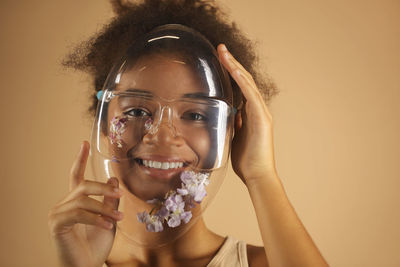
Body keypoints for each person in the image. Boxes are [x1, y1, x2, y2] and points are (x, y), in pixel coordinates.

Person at [48, 1, 329, 266]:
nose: (163, 135)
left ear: (230, 130)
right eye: (136, 111)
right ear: (103, 120)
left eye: (195, 115)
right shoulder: (79, 259)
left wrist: (261, 175)